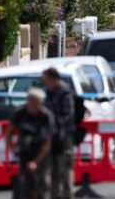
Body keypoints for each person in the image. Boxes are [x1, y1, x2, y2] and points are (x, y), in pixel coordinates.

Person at [7, 88, 55, 199]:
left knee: (42, 183)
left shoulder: (46, 116)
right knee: (24, 185)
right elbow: (8, 134)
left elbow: (48, 142)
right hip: (24, 153)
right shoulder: (19, 113)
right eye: (31, 102)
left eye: (36, 103)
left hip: (41, 154)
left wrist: (35, 162)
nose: (34, 106)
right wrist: (13, 150)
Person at [42, 68, 74, 199]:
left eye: (45, 79)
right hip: (51, 137)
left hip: (63, 138)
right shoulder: (48, 92)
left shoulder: (64, 92)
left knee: (64, 172)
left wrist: (54, 120)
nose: (44, 82)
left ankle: (66, 196)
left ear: (53, 79)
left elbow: (67, 116)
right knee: (53, 172)